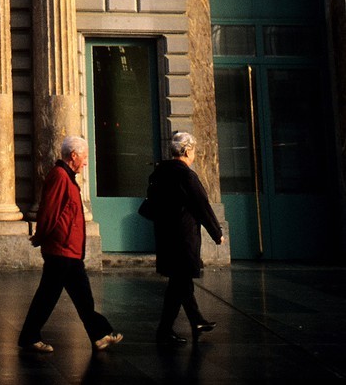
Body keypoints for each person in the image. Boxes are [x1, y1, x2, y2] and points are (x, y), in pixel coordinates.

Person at [18, 135, 123, 354]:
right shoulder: (60, 177)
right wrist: (41, 236)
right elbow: (50, 211)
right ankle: (99, 334)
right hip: (62, 250)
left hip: (68, 251)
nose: (86, 163)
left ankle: (99, 335)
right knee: (52, 296)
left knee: (79, 296)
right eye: (84, 157)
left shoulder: (66, 177)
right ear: (73, 156)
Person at [146, 129, 223, 345]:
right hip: (183, 236)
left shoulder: (160, 172)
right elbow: (202, 205)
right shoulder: (186, 175)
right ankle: (165, 330)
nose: (195, 154)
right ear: (187, 151)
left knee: (179, 281)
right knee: (180, 281)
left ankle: (194, 320)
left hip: (165, 235)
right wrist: (217, 233)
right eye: (194, 150)